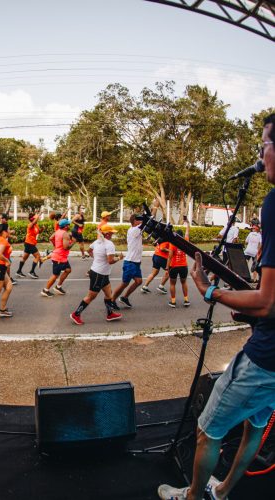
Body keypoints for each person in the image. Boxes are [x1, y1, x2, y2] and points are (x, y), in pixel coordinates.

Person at [158, 112, 275, 500]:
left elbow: (266, 303)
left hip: (266, 357)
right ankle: (222, 491)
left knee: (209, 429)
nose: (260, 157)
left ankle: (194, 497)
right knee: (255, 427)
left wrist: (208, 289)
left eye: (263, 146)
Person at [70, 224, 123, 325]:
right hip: (99, 274)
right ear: (107, 234)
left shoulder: (97, 242)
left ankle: (110, 314)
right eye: (111, 232)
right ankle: (76, 314)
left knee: (108, 294)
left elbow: (89, 251)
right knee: (91, 297)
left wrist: (97, 259)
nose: (112, 234)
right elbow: (110, 261)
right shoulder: (109, 244)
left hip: (101, 273)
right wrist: (119, 258)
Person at [110, 214, 143, 309]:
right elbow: (145, 223)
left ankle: (124, 298)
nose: (140, 221)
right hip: (130, 262)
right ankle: (112, 300)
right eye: (139, 220)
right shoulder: (134, 230)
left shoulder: (136, 229)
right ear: (135, 221)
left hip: (135, 262)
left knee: (138, 281)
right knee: (124, 283)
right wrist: (154, 208)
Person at [41, 218, 75, 297]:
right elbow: (66, 247)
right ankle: (45, 290)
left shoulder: (58, 231)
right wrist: (73, 242)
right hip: (59, 257)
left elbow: (50, 238)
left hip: (62, 257)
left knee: (68, 270)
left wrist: (56, 246)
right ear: (66, 226)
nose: (69, 225)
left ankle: (58, 287)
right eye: (68, 224)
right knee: (55, 275)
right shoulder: (65, 234)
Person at [167, 221, 191, 308]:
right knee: (184, 282)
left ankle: (173, 302)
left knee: (172, 284)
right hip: (184, 266)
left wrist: (167, 267)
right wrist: (187, 224)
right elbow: (187, 232)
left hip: (174, 266)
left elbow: (170, 256)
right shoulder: (185, 241)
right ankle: (186, 300)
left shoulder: (172, 243)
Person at [16, 212, 42, 279]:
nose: (38, 219)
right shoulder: (30, 225)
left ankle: (18, 271)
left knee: (24, 258)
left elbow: (38, 231)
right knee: (38, 256)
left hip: (30, 243)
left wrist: (42, 229)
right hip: (29, 243)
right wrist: (38, 215)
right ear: (33, 219)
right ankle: (32, 272)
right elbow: (32, 223)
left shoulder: (36, 225)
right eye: (36, 218)